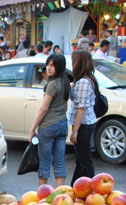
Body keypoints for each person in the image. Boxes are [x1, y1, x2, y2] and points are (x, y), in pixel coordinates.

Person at [28, 54, 70, 186]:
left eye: (52, 65)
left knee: (45, 162)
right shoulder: (65, 83)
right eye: (48, 65)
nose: (49, 68)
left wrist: (33, 128)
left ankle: (43, 196)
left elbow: (43, 109)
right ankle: (60, 195)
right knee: (59, 161)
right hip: (63, 125)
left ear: (59, 67)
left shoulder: (52, 84)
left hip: (48, 126)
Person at [68, 50, 98, 185]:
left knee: (84, 159)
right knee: (81, 159)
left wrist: (75, 130)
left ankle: (90, 186)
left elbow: (81, 107)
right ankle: (77, 185)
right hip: (86, 123)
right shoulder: (86, 80)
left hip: (84, 125)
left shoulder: (84, 82)